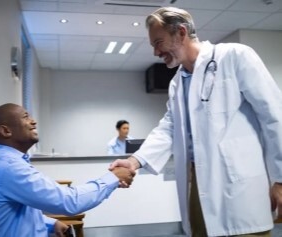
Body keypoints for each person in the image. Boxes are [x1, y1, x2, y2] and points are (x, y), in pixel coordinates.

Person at [109, 6, 282, 237]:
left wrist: (280, 179)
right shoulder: (177, 82)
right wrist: (135, 160)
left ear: (181, 32)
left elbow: (274, 116)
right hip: (197, 187)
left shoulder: (235, 56)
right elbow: (168, 128)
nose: (155, 52)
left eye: (158, 42)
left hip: (240, 188)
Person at [0, 103, 135, 237]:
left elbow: (21, 212)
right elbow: (69, 201)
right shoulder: (9, 167)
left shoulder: (7, 163)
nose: (33, 121)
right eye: (26, 117)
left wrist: (51, 223)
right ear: (6, 131)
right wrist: (114, 177)